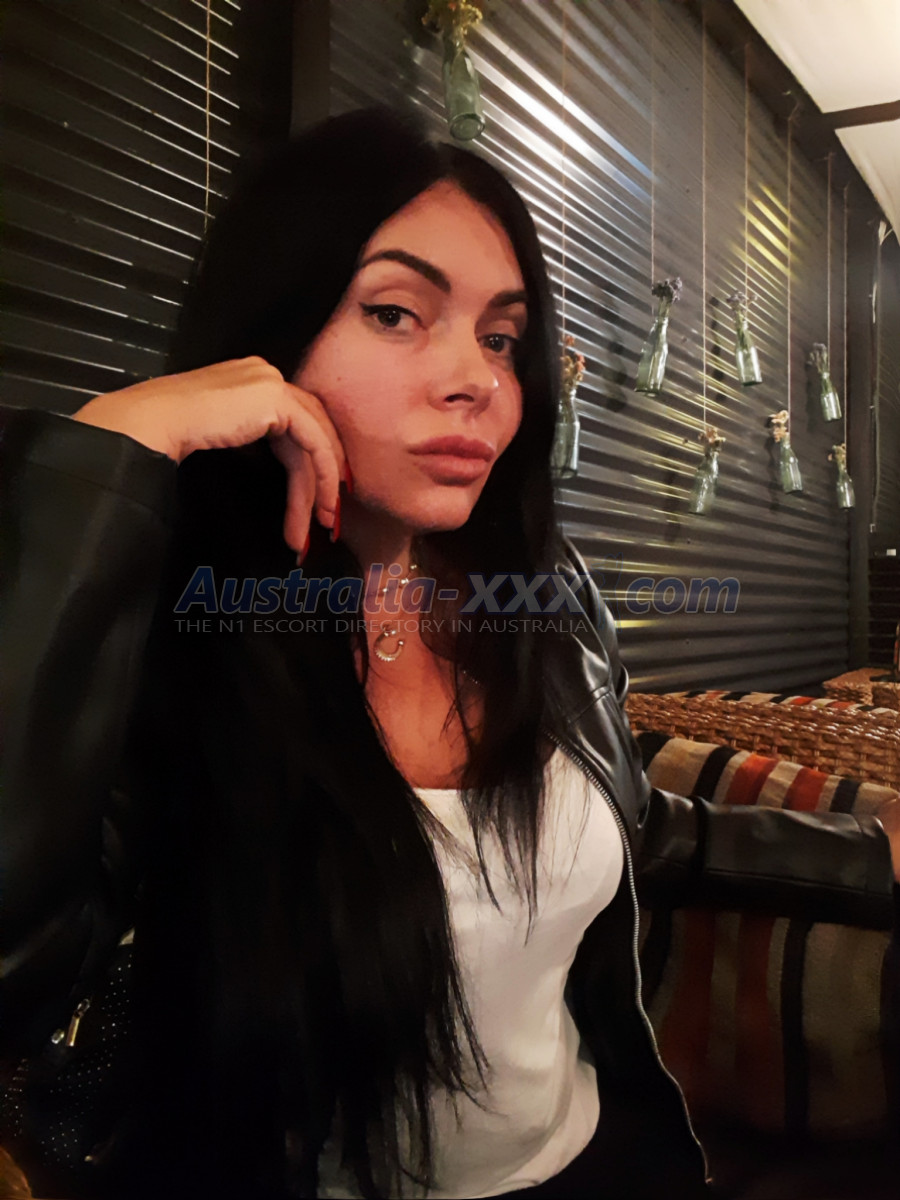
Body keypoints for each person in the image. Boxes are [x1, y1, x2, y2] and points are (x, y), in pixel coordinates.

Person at [1, 107, 897, 1200]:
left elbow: (628, 826)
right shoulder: (161, 639)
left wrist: (871, 853)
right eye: (395, 313)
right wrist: (112, 451)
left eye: (502, 338)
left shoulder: (542, 595)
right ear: (266, 338)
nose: (476, 378)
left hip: (603, 1163)